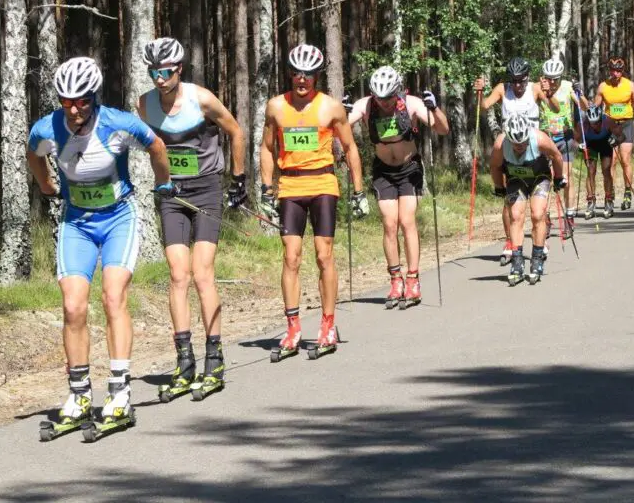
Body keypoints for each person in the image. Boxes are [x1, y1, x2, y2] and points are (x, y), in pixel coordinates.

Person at [28, 56, 173, 431]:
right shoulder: (47, 129)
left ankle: (120, 390)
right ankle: (78, 394)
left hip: (118, 219)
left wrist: (163, 183)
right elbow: (33, 153)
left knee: (112, 297)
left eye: (82, 101)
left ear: (95, 97)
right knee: (73, 306)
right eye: (66, 101)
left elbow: (157, 146)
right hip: (77, 222)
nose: (74, 110)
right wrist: (46, 186)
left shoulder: (118, 123)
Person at [136, 37, 247, 401]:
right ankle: (185, 361)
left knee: (202, 273)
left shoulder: (202, 99)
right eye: (153, 72)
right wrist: (158, 181)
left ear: (179, 69)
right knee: (177, 275)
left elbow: (234, 131)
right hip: (172, 194)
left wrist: (239, 180)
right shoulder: (145, 104)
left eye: (165, 72)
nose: (159, 78)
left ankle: (214, 357)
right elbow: (151, 147)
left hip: (207, 189)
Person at [258, 44, 367, 361]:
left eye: (307, 74)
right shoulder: (276, 107)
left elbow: (350, 148)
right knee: (291, 257)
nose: (301, 79)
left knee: (323, 255)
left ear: (317, 76)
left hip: (322, 182)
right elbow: (266, 148)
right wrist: (266, 189)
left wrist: (358, 192)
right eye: (295, 73)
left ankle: (328, 325)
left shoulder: (331, 108)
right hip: (290, 184)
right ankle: (292, 328)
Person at [344, 65, 450, 309]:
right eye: (380, 99)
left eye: (389, 98)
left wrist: (434, 107)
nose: (385, 104)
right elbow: (338, 128)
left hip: (409, 168)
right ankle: (395, 280)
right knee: (389, 224)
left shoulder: (411, 103)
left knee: (406, 221)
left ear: (397, 92)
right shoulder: (366, 106)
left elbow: (443, 129)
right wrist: (343, 112)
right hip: (383, 170)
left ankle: (413, 278)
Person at [474, 57, 557, 264]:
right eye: (514, 81)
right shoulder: (503, 89)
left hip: (533, 148)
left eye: (521, 80)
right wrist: (479, 91)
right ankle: (511, 242)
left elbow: (554, 108)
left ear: (527, 78)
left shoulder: (535, 88)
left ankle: (540, 241)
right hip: (510, 149)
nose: (517, 85)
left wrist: (550, 93)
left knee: (538, 205)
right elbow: (484, 106)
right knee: (509, 201)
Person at [490, 111, 567, 285]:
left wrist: (559, 178)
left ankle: (537, 259)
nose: (519, 146)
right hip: (516, 178)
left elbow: (557, 156)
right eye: (515, 143)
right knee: (516, 216)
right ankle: (517, 263)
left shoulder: (540, 139)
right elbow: (494, 166)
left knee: (537, 215)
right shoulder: (501, 144)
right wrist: (499, 186)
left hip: (540, 177)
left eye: (523, 142)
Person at [538, 58, 589, 236]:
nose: (552, 82)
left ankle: (569, 217)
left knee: (565, 178)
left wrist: (579, 93)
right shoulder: (539, 87)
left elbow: (585, 107)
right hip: (545, 138)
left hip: (565, 137)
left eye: (555, 79)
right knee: (547, 179)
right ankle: (546, 218)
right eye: (548, 78)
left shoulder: (567, 87)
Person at [592, 56, 634, 211]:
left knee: (625, 159)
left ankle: (628, 192)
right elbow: (595, 108)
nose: (616, 74)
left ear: (623, 71)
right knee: (612, 161)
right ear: (609, 71)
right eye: (613, 70)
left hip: (626, 124)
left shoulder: (630, 86)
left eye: (619, 71)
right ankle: (612, 191)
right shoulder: (603, 87)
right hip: (610, 126)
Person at [575, 102, 617, 219]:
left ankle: (608, 201)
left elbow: (621, 136)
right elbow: (575, 140)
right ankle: (590, 202)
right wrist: (579, 145)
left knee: (606, 171)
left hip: (605, 145)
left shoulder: (608, 121)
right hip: (590, 146)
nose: (595, 126)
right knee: (590, 172)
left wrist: (615, 140)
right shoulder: (582, 125)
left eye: (597, 122)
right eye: (592, 123)